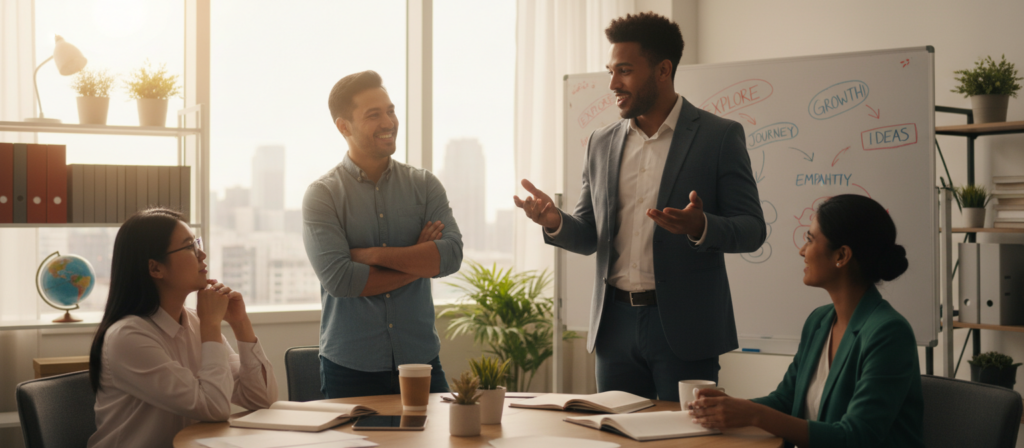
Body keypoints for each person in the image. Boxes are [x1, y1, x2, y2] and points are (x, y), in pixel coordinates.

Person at [514, 12, 765, 401]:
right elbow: (588, 236)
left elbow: (752, 229)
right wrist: (555, 222)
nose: (613, 83)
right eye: (611, 71)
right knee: (614, 430)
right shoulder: (601, 142)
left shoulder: (718, 137)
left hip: (685, 328)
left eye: (625, 71)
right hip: (613, 326)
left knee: (683, 433)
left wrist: (700, 226)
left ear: (663, 70)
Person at [687, 195, 924, 448]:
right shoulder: (819, 321)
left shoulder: (889, 333)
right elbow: (786, 401)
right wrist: (729, 407)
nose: (802, 251)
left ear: (842, 255)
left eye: (810, 240)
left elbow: (856, 437)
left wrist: (753, 414)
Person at [303, 70, 463, 398]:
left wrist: (372, 255)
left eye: (390, 111)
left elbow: (450, 256)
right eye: (374, 115)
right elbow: (341, 281)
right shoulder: (323, 195)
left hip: (421, 360)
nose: (389, 122)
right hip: (350, 367)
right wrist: (418, 260)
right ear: (344, 126)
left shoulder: (424, 185)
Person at [87, 208, 277, 448]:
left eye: (197, 243)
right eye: (189, 247)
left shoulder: (195, 322)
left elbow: (262, 399)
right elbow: (215, 408)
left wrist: (240, 323)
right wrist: (211, 325)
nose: (202, 254)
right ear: (156, 268)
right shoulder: (128, 336)